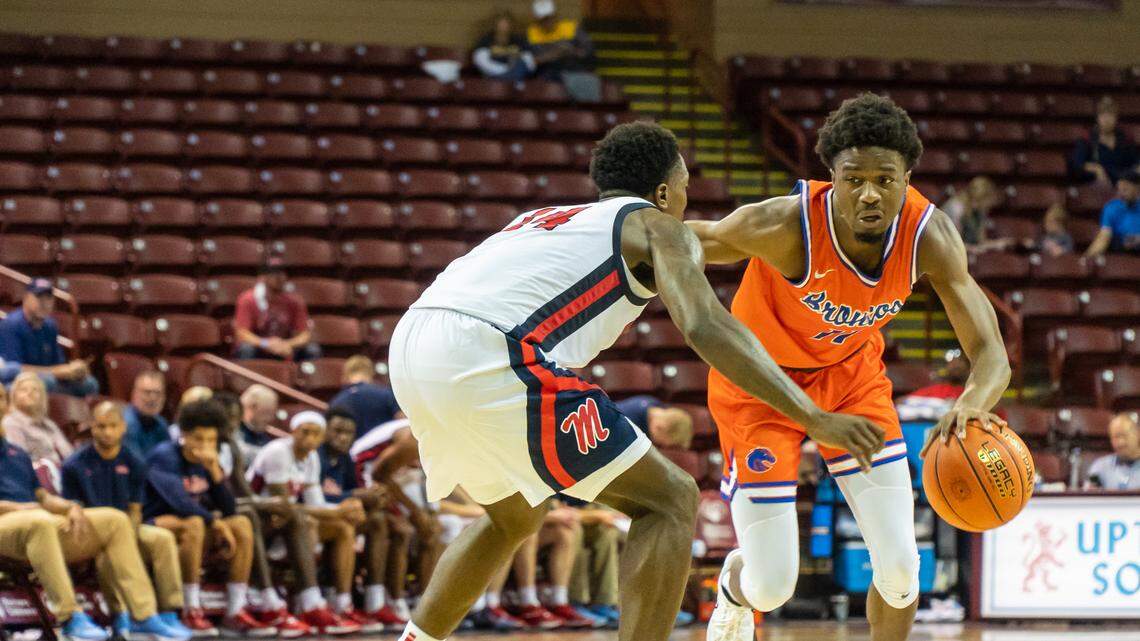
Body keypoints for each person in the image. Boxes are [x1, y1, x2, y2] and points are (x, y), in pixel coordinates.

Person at [387, 120, 881, 641]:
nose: (688, 201)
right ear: (665, 193)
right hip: (486, 349)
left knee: (514, 517)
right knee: (669, 500)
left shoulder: (547, 217)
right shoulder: (658, 226)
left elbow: (707, 248)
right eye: (686, 189)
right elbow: (704, 325)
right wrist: (813, 416)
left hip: (415, 342)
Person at [688, 93, 1012, 641]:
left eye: (885, 180)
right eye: (853, 178)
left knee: (903, 570)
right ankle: (732, 587)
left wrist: (971, 407)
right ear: (830, 177)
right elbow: (690, 240)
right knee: (771, 587)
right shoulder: (784, 225)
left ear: (907, 178)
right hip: (763, 388)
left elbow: (991, 353)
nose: (869, 194)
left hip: (851, 383)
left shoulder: (928, 236)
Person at [0, 385, 189, 641]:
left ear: (7, 405)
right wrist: (24, 508)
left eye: (0, 397)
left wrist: (70, 506)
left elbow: (42, 497)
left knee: (114, 519)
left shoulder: (17, 453)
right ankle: (70, 617)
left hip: (34, 523)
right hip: (8, 523)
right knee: (41, 521)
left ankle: (142, 616)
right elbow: (35, 507)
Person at [60, 402, 194, 640]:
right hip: (91, 530)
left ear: (123, 428)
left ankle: (168, 612)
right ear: (92, 427)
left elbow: (135, 509)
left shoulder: (134, 462)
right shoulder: (74, 464)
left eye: (113, 426)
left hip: (128, 526)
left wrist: (128, 535)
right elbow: (72, 507)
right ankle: (120, 614)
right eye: (101, 426)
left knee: (162, 539)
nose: (107, 432)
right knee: (109, 553)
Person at [145, 400, 275, 637]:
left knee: (242, 523)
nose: (205, 446)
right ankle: (190, 607)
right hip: (156, 522)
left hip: (196, 524)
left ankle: (234, 611)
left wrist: (216, 473)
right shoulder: (164, 456)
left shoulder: (207, 462)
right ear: (184, 434)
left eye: (211, 441)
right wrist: (215, 523)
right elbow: (179, 503)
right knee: (195, 523)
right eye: (198, 439)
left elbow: (229, 509)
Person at [209, 392, 333, 637]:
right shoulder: (204, 446)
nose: (233, 425)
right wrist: (269, 505)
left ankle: (311, 600)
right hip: (217, 515)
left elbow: (243, 494)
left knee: (291, 515)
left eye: (235, 419)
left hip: (242, 512)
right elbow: (225, 501)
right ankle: (268, 599)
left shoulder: (231, 446)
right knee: (258, 516)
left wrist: (270, 505)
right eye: (227, 420)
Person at [245, 411, 365, 634]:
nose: (310, 438)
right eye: (305, 432)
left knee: (341, 528)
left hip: (284, 521)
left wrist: (343, 512)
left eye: (315, 434)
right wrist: (341, 510)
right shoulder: (278, 451)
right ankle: (309, 603)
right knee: (305, 520)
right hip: (258, 519)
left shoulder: (311, 458)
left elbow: (315, 503)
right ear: (293, 432)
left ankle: (341, 603)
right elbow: (282, 504)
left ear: (321, 438)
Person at [319, 407, 409, 629]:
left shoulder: (345, 459)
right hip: (312, 517)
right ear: (324, 431)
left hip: (336, 516)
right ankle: (339, 603)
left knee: (381, 521)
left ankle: (375, 601)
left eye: (348, 433)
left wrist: (374, 498)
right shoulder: (314, 455)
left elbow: (356, 493)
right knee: (344, 527)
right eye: (337, 431)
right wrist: (356, 497)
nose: (343, 437)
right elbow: (305, 496)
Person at [0, 278, 99, 397]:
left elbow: (58, 363)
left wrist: (73, 370)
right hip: (16, 383)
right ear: (26, 298)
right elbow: (11, 371)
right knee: (46, 383)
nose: (45, 303)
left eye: (49, 298)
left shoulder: (50, 326)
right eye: (39, 297)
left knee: (90, 384)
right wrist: (57, 372)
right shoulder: (11, 324)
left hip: (47, 379)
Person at [233, 259, 320, 361]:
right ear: (262, 277)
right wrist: (266, 344)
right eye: (274, 273)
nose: (280, 276)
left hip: (284, 346)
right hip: (259, 346)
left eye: (282, 273)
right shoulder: (248, 299)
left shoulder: (295, 301)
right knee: (246, 349)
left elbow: (305, 335)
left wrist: (286, 344)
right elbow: (242, 333)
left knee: (312, 349)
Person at [526, 0, 599, 102]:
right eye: (543, 19)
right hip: (549, 74)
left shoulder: (570, 28)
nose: (548, 22)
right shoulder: (533, 33)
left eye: (550, 17)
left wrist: (571, 51)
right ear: (538, 21)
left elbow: (588, 51)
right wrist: (559, 51)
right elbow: (535, 60)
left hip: (574, 71)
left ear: (555, 15)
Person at [3, 371, 73, 468]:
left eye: (35, 390)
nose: (29, 393)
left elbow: (69, 455)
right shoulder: (11, 423)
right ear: (14, 395)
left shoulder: (49, 424)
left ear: (42, 396)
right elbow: (19, 462)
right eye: (23, 390)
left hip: (64, 473)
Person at [327, 356, 403, 438]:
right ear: (371, 373)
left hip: (353, 449)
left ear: (346, 375)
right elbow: (403, 423)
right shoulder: (387, 394)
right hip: (384, 446)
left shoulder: (336, 401)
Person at [1070, 96, 1138, 186]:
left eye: (1111, 115)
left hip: (1124, 185)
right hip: (1097, 186)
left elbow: (1136, 162)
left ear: (1116, 118)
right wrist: (1097, 169)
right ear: (1097, 118)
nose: (1107, 120)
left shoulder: (1126, 139)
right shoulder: (1087, 139)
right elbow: (1078, 164)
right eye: (1103, 115)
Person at [939, 176, 1012, 254]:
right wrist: (973, 249)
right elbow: (952, 244)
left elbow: (980, 242)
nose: (988, 206)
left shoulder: (979, 211)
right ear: (981, 198)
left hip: (966, 253)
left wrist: (997, 244)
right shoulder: (955, 208)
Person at [1084, 170, 1140, 257]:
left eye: (1125, 189)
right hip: (1120, 251)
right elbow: (1104, 236)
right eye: (1119, 189)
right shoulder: (1111, 207)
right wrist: (1086, 259)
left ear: (1137, 189)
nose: (1121, 194)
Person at [473, 11, 535, 81]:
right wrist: (506, 70)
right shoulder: (486, 41)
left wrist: (516, 65)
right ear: (495, 25)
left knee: (520, 64)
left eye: (506, 23)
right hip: (494, 77)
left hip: (517, 75)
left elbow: (529, 62)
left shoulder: (518, 40)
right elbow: (481, 61)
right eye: (501, 23)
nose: (504, 26)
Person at [1084, 413, 1140, 491]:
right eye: (1116, 437)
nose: (1120, 442)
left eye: (1124, 435)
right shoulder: (1098, 466)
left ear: (1137, 434)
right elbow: (1090, 493)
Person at [614, 395, 694, 449]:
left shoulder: (656, 405)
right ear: (658, 428)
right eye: (661, 444)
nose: (660, 446)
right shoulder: (626, 426)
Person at [123, 370, 172, 458]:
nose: (153, 398)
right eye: (147, 392)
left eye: (158, 393)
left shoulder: (161, 423)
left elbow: (170, 457)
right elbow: (137, 466)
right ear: (134, 394)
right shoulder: (125, 424)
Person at [238, 384, 279, 462]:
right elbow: (237, 453)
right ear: (251, 407)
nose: (270, 418)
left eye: (272, 413)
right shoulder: (232, 427)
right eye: (267, 412)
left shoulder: (264, 437)